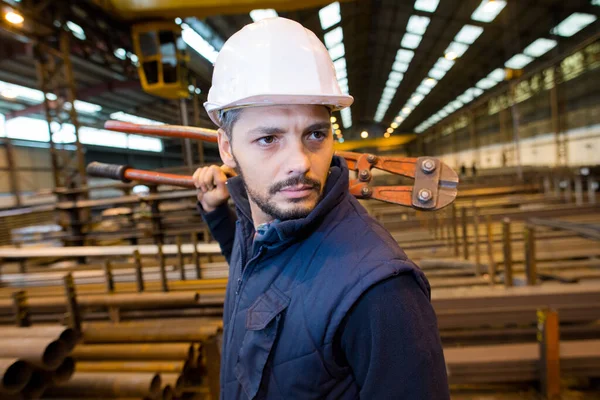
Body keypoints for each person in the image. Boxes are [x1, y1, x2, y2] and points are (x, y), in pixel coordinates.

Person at [193, 17, 449, 399]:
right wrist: (216, 213)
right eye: (268, 139)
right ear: (227, 147)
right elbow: (259, 270)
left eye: (315, 134)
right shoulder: (264, 225)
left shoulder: (382, 293)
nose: (300, 161)